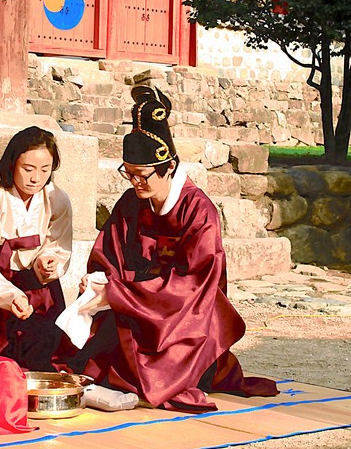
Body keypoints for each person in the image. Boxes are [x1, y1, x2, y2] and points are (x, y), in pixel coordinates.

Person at [58, 86, 278, 411]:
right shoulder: (132, 201)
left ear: (169, 168)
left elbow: (194, 282)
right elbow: (109, 253)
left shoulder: (199, 211)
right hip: (135, 301)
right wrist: (98, 282)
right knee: (79, 357)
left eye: (142, 176)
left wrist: (120, 294)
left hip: (186, 315)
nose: (134, 183)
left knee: (147, 381)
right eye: (128, 174)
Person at [0, 126, 72, 371]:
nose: (35, 178)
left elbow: (57, 244)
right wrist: (9, 295)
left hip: (34, 281)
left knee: (44, 343)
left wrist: (48, 261)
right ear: (12, 164)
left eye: (44, 170)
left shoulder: (57, 200)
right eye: (28, 169)